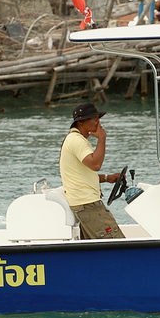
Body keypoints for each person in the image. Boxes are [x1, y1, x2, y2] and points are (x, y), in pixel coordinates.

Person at [59, 102, 125, 239]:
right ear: (81, 122)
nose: (98, 122)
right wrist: (102, 138)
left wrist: (107, 178)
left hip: (83, 204)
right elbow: (95, 165)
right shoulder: (76, 141)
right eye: (94, 118)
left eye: (98, 118)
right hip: (88, 205)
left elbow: (80, 173)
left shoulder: (74, 139)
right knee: (116, 243)